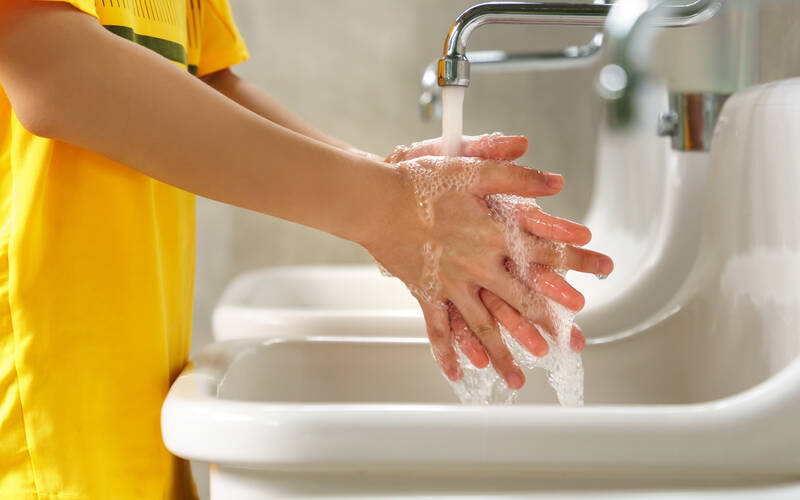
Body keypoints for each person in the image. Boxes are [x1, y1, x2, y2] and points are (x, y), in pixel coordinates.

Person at [0, 0, 614, 498]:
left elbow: (202, 82)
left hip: (125, 423)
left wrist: (393, 189)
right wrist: (392, 211)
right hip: (37, 435)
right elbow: (55, 69)